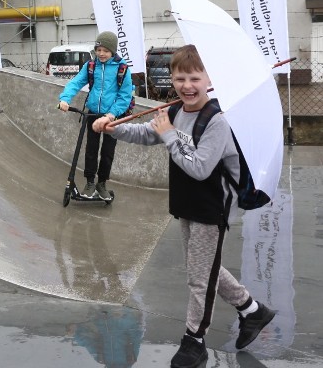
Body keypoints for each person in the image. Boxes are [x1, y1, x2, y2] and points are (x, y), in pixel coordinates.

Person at [93, 45, 275, 368]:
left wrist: (169, 136)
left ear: (208, 80)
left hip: (211, 207)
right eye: (180, 78)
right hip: (187, 204)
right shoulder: (176, 112)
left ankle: (195, 339)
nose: (187, 85)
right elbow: (147, 134)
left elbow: (201, 167)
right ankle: (251, 310)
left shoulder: (217, 122)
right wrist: (114, 127)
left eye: (194, 78)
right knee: (203, 269)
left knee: (198, 279)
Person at [58, 31, 133, 201]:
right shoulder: (91, 66)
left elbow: (125, 96)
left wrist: (112, 114)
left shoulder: (122, 69)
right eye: (98, 49)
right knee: (91, 150)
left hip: (112, 117)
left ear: (112, 51)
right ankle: (90, 182)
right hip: (92, 114)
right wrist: (65, 99)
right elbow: (76, 82)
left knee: (107, 152)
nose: (101, 54)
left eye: (105, 50)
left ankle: (102, 184)